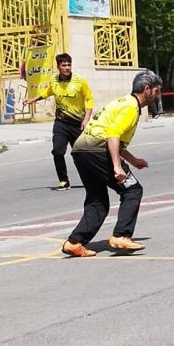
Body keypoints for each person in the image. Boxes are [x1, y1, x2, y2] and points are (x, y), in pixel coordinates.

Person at [60, 70, 162, 258]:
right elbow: (113, 135)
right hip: (97, 149)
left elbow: (116, 141)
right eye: (156, 91)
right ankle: (121, 235)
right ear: (146, 89)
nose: (157, 95)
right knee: (132, 190)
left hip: (81, 150)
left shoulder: (123, 102)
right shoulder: (131, 107)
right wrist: (117, 166)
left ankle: (74, 242)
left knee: (98, 200)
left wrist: (134, 161)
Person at [24, 53, 94, 190]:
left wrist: (86, 119)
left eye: (69, 65)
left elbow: (89, 99)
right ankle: (63, 181)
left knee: (81, 154)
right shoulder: (54, 80)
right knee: (57, 151)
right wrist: (32, 99)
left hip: (77, 123)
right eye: (64, 65)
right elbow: (47, 92)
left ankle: (91, 179)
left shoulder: (80, 81)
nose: (67, 67)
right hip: (61, 123)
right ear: (58, 67)